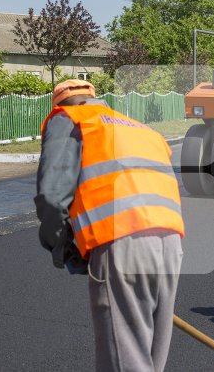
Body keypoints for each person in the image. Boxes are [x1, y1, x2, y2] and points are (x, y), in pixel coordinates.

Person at [35, 79, 185, 371]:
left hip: (123, 243)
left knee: (124, 358)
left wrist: (63, 248)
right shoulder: (138, 128)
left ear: (60, 105)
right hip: (171, 243)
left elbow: (51, 197)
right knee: (151, 359)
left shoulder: (69, 119)